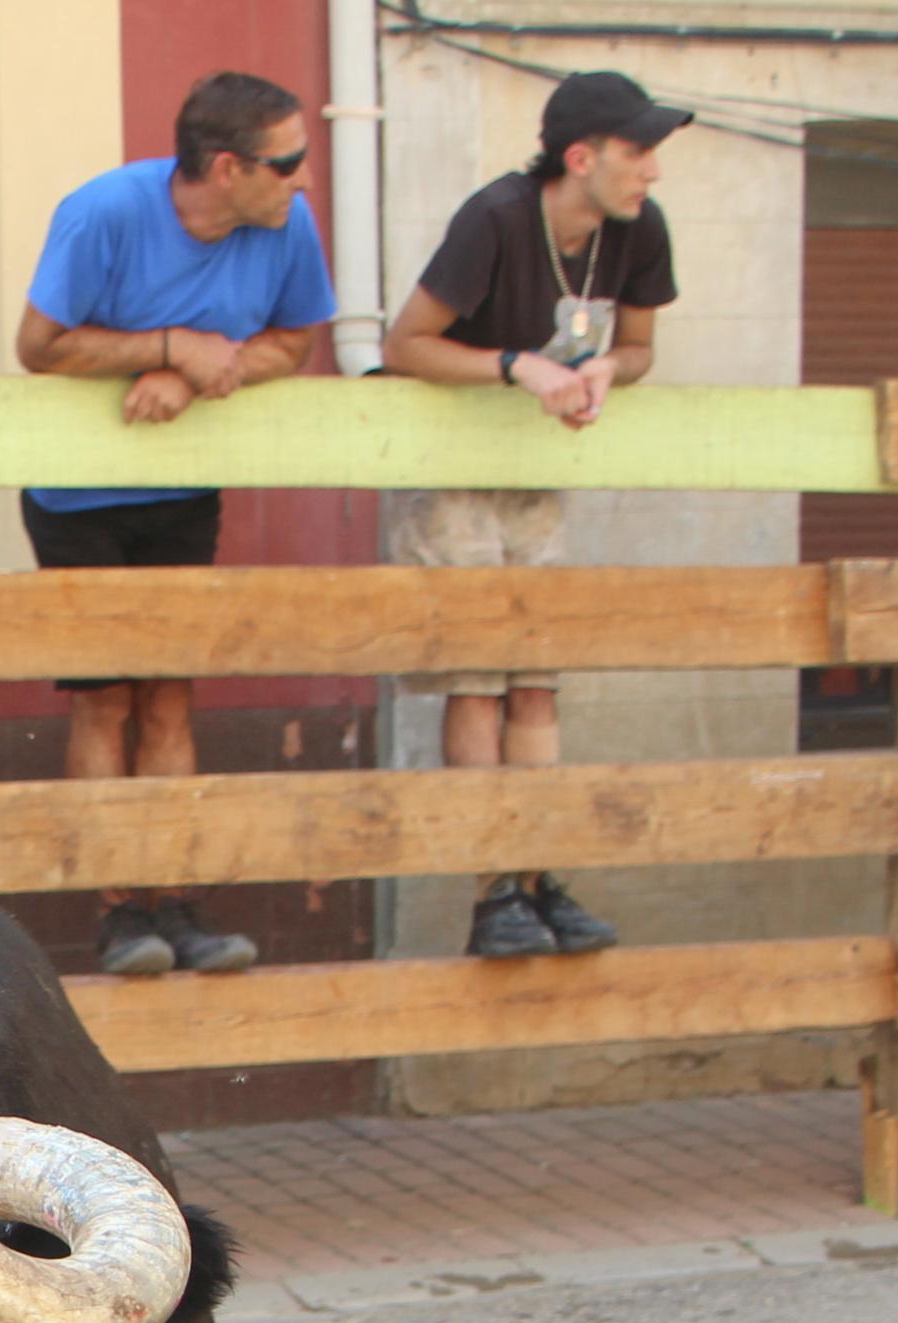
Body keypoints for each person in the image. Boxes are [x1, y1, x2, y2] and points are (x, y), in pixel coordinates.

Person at [13, 70, 334, 978]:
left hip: (182, 482)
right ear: (227, 168)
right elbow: (37, 345)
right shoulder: (103, 212)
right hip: (76, 492)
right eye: (289, 163)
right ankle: (119, 912)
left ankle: (177, 899)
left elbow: (294, 341)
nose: (303, 179)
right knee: (105, 696)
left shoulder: (284, 224)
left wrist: (205, 365)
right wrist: (164, 346)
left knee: (169, 691)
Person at [380, 71, 690, 961]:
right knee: (478, 671)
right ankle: (492, 891)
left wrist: (602, 373)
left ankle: (534, 870)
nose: (650, 172)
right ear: (581, 156)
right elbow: (405, 343)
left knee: (537, 671)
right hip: (456, 461)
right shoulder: (498, 216)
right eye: (637, 153)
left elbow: (637, 349)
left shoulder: (637, 229)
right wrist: (516, 365)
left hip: (533, 461)